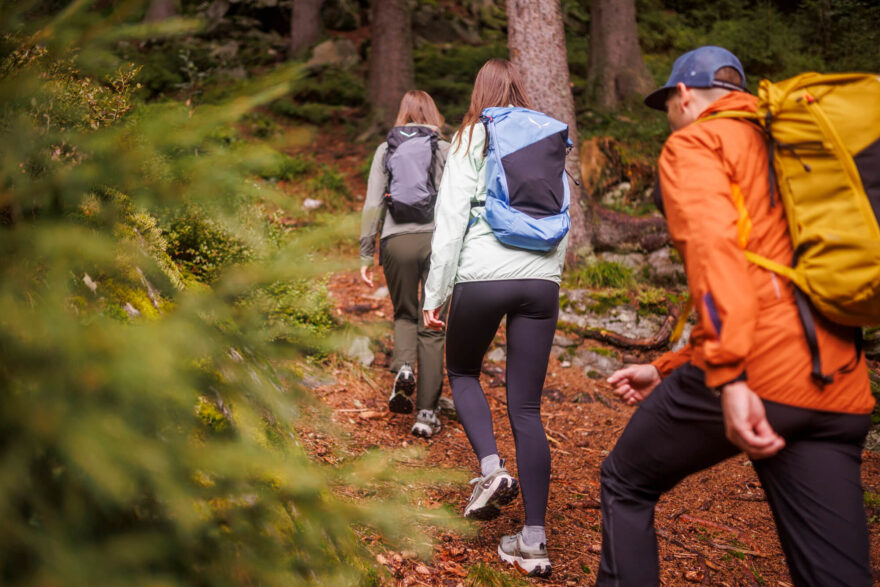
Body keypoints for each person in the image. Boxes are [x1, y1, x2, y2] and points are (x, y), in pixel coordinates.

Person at [597, 46, 874, 586]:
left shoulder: (697, 142)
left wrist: (728, 375)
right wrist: (669, 368)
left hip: (760, 371)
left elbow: (715, 253)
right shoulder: (797, 146)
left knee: (625, 480)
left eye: (669, 108)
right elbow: (774, 274)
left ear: (683, 96)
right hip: (839, 384)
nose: (670, 120)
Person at [422, 59, 569, 578]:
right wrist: (549, 276)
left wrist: (434, 294)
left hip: (482, 274)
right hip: (541, 281)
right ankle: (534, 540)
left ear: (479, 92)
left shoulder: (470, 137)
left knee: (462, 371)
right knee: (526, 408)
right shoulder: (547, 137)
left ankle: (490, 470)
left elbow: (450, 222)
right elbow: (563, 215)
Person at [359, 90, 450, 438]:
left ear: (403, 114)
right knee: (433, 324)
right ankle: (426, 414)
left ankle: (405, 368)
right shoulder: (444, 149)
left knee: (404, 314)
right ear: (433, 112)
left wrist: (367, 252)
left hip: (396, 241)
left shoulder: (387, 149)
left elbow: (372, 205)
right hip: (436, 242)